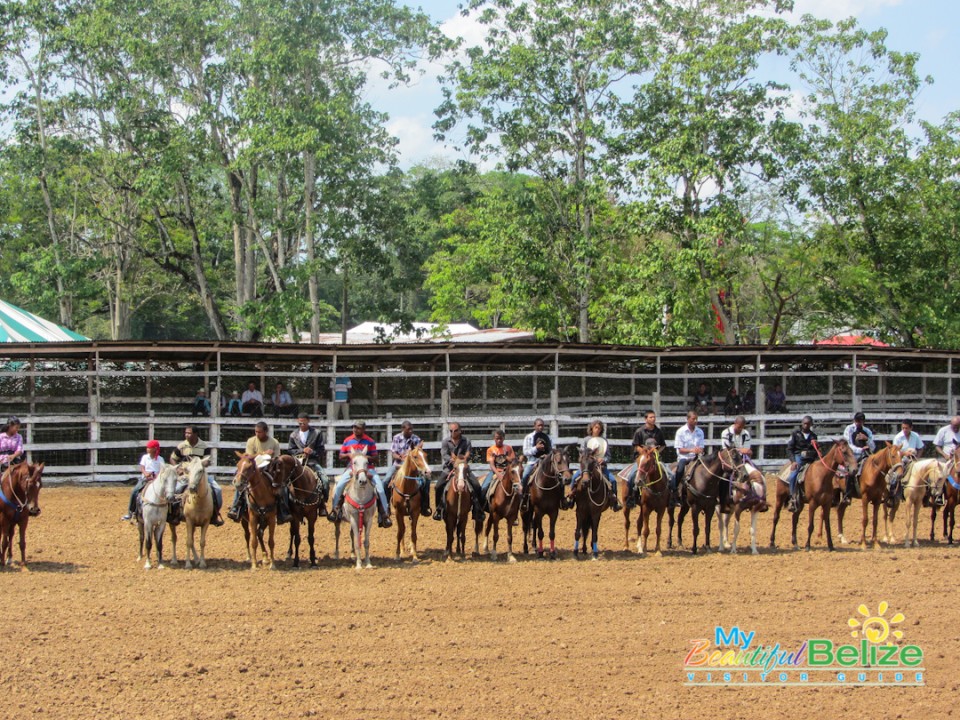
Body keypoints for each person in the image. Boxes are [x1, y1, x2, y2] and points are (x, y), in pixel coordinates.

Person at [329, 421, 392, 528]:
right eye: (354, 427)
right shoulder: (347, 440)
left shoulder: (370, 441)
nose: (355, 430)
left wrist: (366, 458)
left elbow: (376, 458)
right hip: (352, 469)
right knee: (340, 485)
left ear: (363, 429)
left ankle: (384, 514)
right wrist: (349, 454)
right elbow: (340, 456)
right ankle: (335, 510)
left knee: (380, 488)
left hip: (368, 469)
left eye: (358, 428)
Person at [227, 421, 291, 524]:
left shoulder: (274, 442)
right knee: (241, 484)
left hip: (269, 467)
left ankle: (283, 511)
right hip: (253, 467)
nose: (257, 434)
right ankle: (236, 507)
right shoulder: (251, 441)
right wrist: (263, 453)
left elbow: (277, 458)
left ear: (265, 431)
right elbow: (248, 457)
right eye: (256, 432)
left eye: (260, 432)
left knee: (281, 486)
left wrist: (271, 458)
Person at [170, 425, 223, 526]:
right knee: (176, 490)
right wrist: (178, 468)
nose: (187, 435)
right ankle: (175, 514)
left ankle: (215, 514)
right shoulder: (182, 446)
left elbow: (207, 460)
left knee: (217, 489)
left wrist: (204, 463)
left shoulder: (203, 446)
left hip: (200, 475)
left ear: (195, 434)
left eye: (189, 433)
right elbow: (173, 458)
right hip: (186, 475)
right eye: (186, 433)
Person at [565, 420, 622, 512]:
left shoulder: (604, 441)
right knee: (575, 477)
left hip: (601, 467)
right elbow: (582, 453)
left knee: (613, 480)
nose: (597, 430)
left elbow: (608, 455)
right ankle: (571, 497)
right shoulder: (586, 440)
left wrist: (603, 459)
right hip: (587, 467)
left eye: (599, 428)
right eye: (596, 428)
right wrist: (590, 460)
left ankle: (614, 501)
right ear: (592, 428)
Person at [433, 422, 484, 522]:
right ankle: (439, 509)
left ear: (460, 430)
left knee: (476, 486)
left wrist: (462, 460)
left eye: (455, 430)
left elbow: (469, 454)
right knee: (438, 486)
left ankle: (477, 509)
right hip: (449, 468)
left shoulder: (466, 441)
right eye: (451, 431)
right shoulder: (445, 442)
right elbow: (444, 454)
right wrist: (452, 460)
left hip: (463, 468)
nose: (453, 432)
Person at [622, 411, 667, 507]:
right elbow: (635, 445)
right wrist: (643, 452)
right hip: (642, 459)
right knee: (631, 477)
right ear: (646, 419)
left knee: (670, 475)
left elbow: (663, 445)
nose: (653, 419)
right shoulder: (639, 431)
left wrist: (656, 452)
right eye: (651, 417)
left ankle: (672, 497)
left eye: (654, 417)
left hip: (656, 459)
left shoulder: (658, 432)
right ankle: (631, 497)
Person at [388, 421, 430, 516]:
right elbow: (394, 452)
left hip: (413, 467)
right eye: (408, 429)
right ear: (403, 429)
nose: (410, 431)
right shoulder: (397, 438)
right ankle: (386, 507)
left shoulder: (416, 439)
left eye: (411, 429)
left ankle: (424, 506)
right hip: (398, 465)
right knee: (386, 481)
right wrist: (400, 457)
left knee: (426, 482)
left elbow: (419, 453)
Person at [288, 412, 327, 507]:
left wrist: (311, 452)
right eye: (300, 423)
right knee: (285, 482)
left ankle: (322, 503)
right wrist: (302, 450)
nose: (302, 425)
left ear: (308, 421)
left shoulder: (317, 433)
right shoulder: (293, 435)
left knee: (325, 480)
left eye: (304, 423)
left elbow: (321, 450)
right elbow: (290, 450)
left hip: (312, 462)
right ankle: (285, 506)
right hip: (297, 463)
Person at [121, 439, 165, 521]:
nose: (147, 449)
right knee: (134, 491)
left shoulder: (160, 459)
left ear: (155, 449)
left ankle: (169, 513)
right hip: (145, 479)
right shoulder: (145, 457)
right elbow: (142, 467)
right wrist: (145, 474)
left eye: (149, 447)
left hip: (157, 480)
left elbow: (162, 470)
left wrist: (156, 476)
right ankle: (131, 512)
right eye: (147, 447)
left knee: (167, 493)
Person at [672, 411, 705, 507]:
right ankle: (675, 492)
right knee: (680, 471)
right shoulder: (681, 431)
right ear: (688, 419)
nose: (695, 421)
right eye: (693, 419)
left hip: (697, 458)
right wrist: (692, 450)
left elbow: (702, 447)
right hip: (684, 458)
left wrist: (699, 450)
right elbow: (680, 449)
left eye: (696, 419)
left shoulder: (700, 432)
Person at [720, 416, 754, 508]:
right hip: (729, 459)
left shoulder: (745, 434)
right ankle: (723, 499)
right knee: (724, 476)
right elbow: (725, 450)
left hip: (742, 459)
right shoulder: (726, 433)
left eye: (742, 427)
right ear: (735, 424)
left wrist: (742, 451)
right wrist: (741, 450)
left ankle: (756, 497)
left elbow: (747, 450)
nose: (740, 429)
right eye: (739, 427)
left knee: (755, 472)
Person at [786, 416, 818, 513]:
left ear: (811, 424)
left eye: (808, 424)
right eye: (804, 423)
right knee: (793, 476)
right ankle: (792, 497)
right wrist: (793, 461)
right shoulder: (796, 434)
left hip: (810, 458)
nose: (806, 425)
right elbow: (789, 448)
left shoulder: (813, 436)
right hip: (799, 457)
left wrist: (815, 445)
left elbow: (816, 450)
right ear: (802, 424)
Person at [842, 412, 875, 504]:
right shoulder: (849, 429)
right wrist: (860, 450)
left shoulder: (867, 431)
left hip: (867, 454)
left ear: (863, 421)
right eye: (857, 421)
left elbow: (873, 446)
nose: (858, 423)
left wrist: (867, 439)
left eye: (860, 421)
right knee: (851, 471)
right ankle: (847, 495)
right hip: (852, 455)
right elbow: (848, 444)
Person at [888, 419, 923, 506]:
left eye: (906, 428)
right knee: (896, 475)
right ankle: (892, 495)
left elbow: (921, 448)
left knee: (924, 473)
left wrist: (917, 457)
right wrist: (905, 453)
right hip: (901, 459)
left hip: (913, 459)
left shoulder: (915, 436)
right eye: (903, 428)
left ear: (911, 428)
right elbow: (895, 451)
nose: (904, 430)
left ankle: (926, 496)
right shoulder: (898, 437)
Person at [481, 430, 517, 511]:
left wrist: (506, 456)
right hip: (495, 471)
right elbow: (491, 465)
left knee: (518, 487)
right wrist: (498, 474)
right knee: (484, 487)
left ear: (503, 438)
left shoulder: (508, 448)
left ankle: (516, 509)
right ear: (494, 438)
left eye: (501, 438)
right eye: (497, 439)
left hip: (507, 472)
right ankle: (481, 508)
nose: (499, 440)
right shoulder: (490, 449)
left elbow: (513, 461)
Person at [520, 418, 553, 497]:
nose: (541, 427)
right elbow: (525, 452)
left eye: (542, 425)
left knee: (558, 476)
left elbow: (551, 450)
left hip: (546, 462)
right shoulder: (529, 437)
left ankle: (561, 499)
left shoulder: (548, 437)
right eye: (539, 425)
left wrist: (547, 455)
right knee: (524, 476)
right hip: (532, 462)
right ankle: (522, 496)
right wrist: (536, 448)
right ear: (534, 426)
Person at [932, 416, 960, 506]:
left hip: (959, 458)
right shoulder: (943, 430)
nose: (956, 428)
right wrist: (945, 455)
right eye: (954, 426)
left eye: (958, 426)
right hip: (947, 458)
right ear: (950, 424)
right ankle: (939, 495)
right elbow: (937, 445)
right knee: (941, 474)